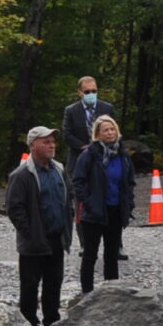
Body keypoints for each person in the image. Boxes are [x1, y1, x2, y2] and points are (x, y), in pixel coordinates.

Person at [4, 127, 72, 326]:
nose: (51, 145)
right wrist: (31, 234)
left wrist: (67, 224)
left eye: (53, 141)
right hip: (33, 242)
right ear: (33, 145)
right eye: (46, 142)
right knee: (30, 287)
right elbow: (15, 208)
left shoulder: (59, 169)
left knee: (54, 284)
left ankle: (52, 323)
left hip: (56, 238)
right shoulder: (22, 175)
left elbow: (69, 196)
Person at [69, 114, 134, 292]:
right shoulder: (89, 154)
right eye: (105, 130)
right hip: (94, 212)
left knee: (112, 255)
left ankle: (111, 291)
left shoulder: (123, 154)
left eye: (112, 129)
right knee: (90, 255)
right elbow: (78, 181)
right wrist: (88, 202)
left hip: (116, 210)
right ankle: (87, 292)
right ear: (98, 134)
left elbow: (129, 182)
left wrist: (129, 204)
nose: (110, 132)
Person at [59, 77, 117, 168]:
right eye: (87, 92)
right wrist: (84, 147)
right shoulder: (71, 111)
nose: (91, 94)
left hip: (103, 157)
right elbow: (67, 134)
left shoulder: (108, 108)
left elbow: (114, 131)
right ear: (79, 93)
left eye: (94, 91)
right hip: (78, 158)